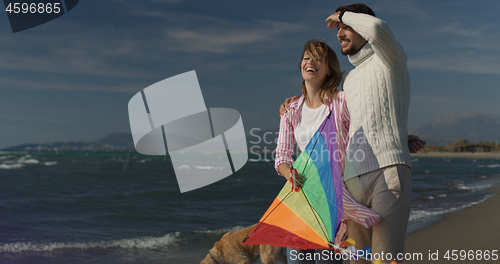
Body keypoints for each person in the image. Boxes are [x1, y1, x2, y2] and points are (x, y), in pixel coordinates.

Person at [280, 3, 425, 263]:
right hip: (350, 184)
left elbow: (379, 28)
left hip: (387, 172)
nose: (339, 33)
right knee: (355, 260)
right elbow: (351, 122)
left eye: (347, 27)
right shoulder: (346, 83)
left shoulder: (391, 60)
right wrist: (296, 101)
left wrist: (345, 15)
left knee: (384, 258)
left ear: (362, 25)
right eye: (339, 28)